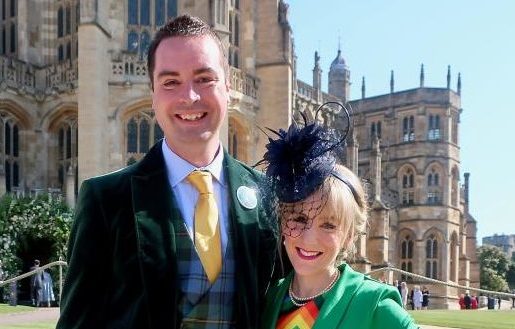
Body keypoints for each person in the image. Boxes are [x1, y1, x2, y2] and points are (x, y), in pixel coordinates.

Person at [57, 15, 277, 329]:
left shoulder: (267, 194)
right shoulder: (105, 199)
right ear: (153, 93)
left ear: (229, 86)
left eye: (204, 78)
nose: (189, 96)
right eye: (171, 82)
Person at [260, 105, 417, 328]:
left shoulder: (374, 304)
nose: (309, 237)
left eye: (329, 225)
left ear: (350, 235)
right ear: (283, 220)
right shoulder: (271, 298)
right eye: (300, 219)